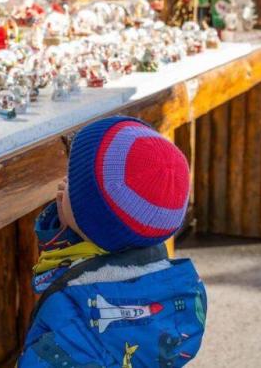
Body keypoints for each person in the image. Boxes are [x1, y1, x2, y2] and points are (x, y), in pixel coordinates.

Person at [19, 116, 207, 367]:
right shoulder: (172, 286)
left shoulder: (70, 311)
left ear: (92, 220)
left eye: (73, 181)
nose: (63, 184)